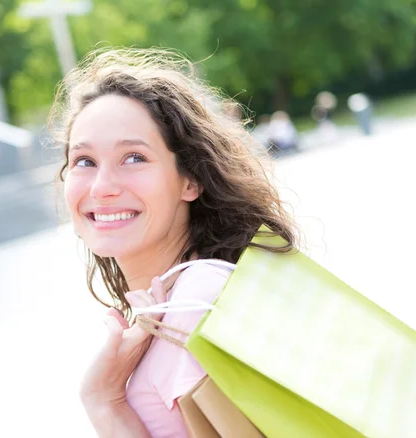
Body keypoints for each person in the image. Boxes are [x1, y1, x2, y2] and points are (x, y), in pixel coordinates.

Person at [48, 48, 299, 437]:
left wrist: (104, 402)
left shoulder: (197, 304)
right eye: (84, 161)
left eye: (133, 157)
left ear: (190, 180)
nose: (102, 187)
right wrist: (103, 398)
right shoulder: (170, 306)